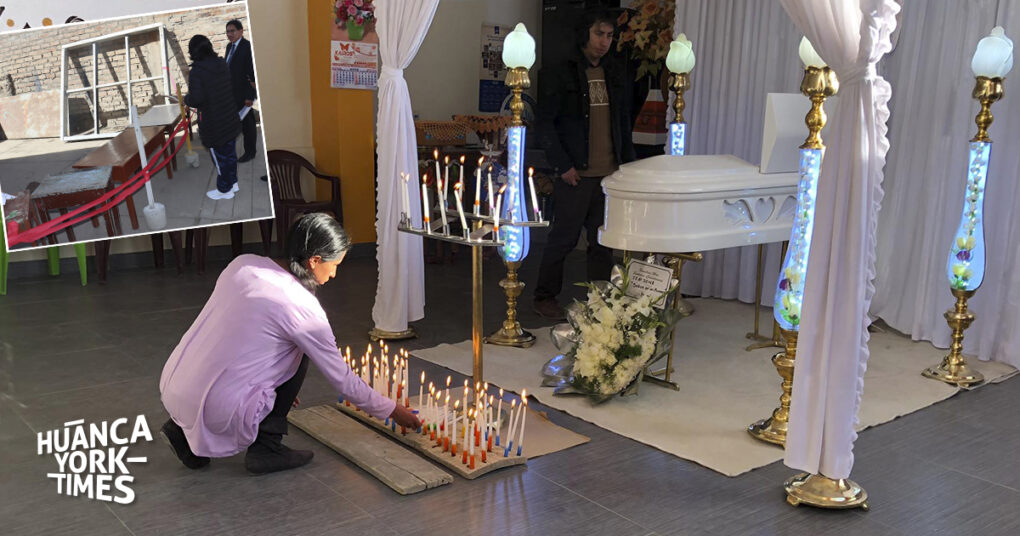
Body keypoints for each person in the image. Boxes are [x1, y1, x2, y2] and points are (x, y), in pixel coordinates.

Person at [159, 213, 421, 475]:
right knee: (301, 349)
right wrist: (392, 409)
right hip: (220, 407)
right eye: (334, 265)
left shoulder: (243, 264)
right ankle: (267, 448)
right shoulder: (302, 308)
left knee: (278, 343)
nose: (334, 274)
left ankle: (181, 431)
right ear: (314, 260)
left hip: (174, 387)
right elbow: (342, 380)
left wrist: (276, 380)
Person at [532, 10, 636, 320]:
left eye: (610, 36)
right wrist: (562, 165)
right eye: (599, 34)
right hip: (575, 174)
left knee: (602, 241)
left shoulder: (615, 73)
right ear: (585, 35)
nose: (605, 42)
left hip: (609, 176)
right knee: (563, 239)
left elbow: (623, 123)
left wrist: (626, 167)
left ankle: (600, 300)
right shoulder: (560, 72)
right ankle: (544, 296)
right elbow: (546, 124)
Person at [184, 34, 242, 201]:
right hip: (229, 118)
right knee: (230, 154)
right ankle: (233, 183)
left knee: (220, 158)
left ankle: (225, 190)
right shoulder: (221, 63)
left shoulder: (197, 72)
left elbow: (197, 99)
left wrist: (187, 99)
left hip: (214, 125)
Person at [224, 19, 258, 163]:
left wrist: (250, 97)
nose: (230, 34)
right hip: (232, 94)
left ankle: (250, 152)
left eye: (233, 31)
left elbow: (252, 73)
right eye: (227, 31)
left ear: (241, 31)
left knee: (248, 125)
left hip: (244, 94)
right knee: (237, 123)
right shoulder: (228, 47)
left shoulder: (247, 47)